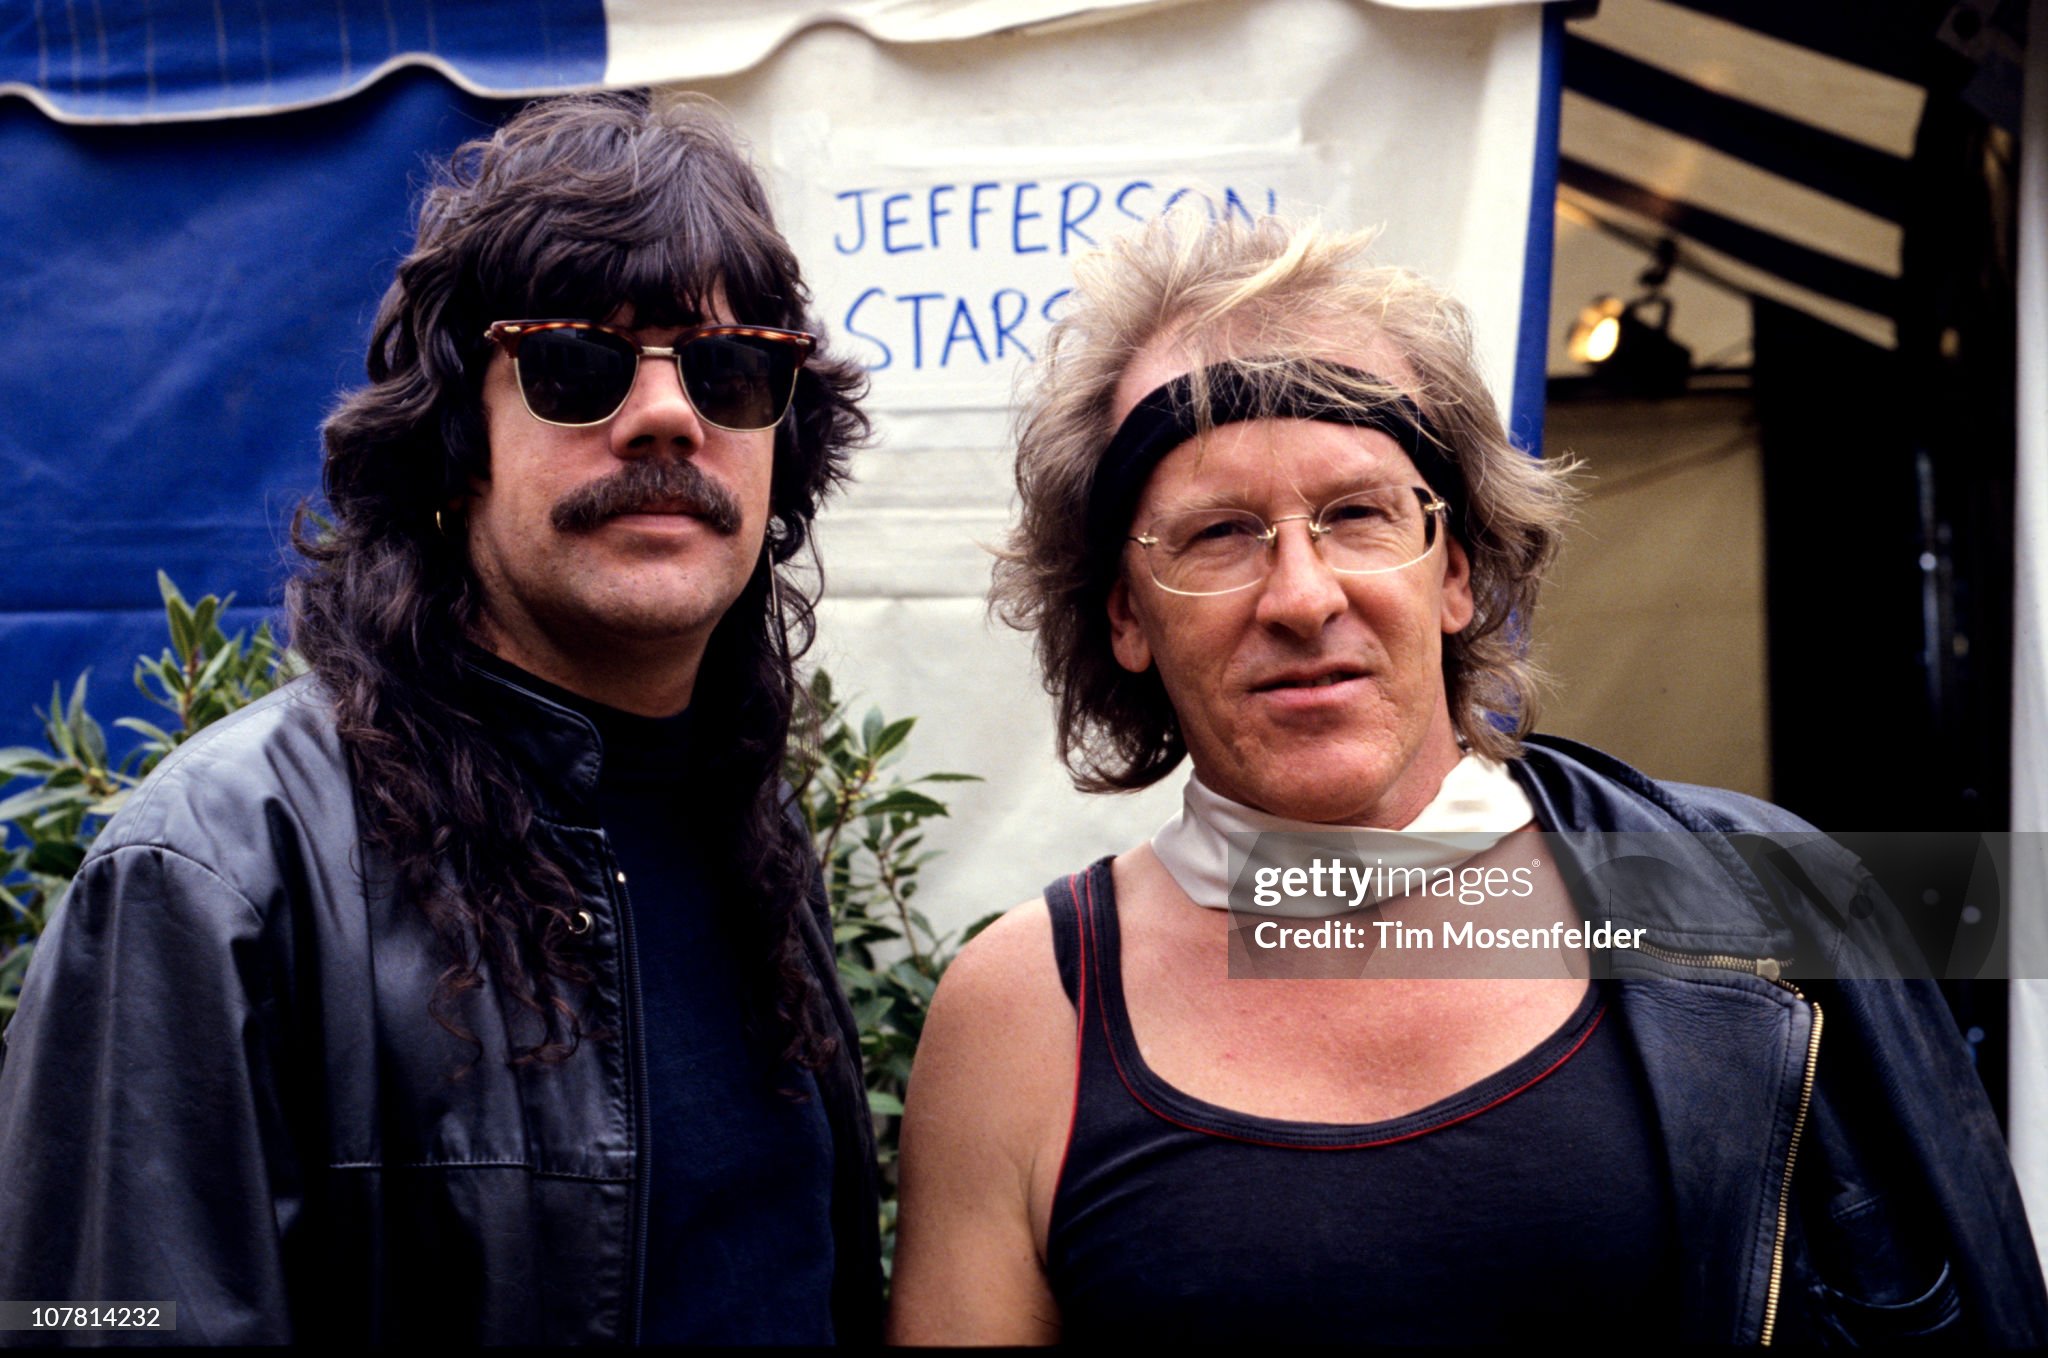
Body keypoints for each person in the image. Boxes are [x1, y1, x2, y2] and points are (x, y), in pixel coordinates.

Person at [888, 213, 2048, 1345]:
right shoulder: (1025, 1014)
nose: (1300, 595)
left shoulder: (1772, 905)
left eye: (1356, 514)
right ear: (1125, 616)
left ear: (1456, 571)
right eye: (1218, 534)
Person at [0, 92, 880, 1345]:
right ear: (456, 436)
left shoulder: (746, 824)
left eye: (729, 367)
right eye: (578, 362)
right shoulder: (216, 876)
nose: (668, 412)